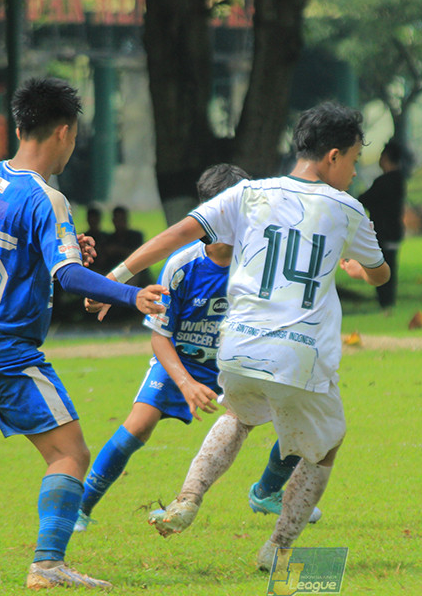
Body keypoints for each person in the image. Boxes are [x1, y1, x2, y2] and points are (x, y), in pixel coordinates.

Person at [90, 101, 389, 569]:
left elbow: (175, 234)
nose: (353, 172)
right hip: (299, 353)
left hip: (239, 347)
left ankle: (188, 499)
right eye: (352, 161)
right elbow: (381, 274)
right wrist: (359, 270)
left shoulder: (248, 193)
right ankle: (278, 549)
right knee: (326, 444)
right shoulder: (347, 209)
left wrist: (113, 280)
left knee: (238, 414)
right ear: (333, 156)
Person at [0, 77, 167, 590]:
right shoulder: (50, 198)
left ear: (20, 126)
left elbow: (8, 250)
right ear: (64, 131)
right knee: (70, 454)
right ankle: (48, 564)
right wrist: (128, 293)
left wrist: (60, 248)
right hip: (0, 346)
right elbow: (65, 276)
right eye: (76, 136)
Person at [73, 163, 321, 533]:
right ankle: (80, 508)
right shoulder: (183, 265)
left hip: (236, 363)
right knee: (138, 425)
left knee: (303, 412)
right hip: (182, 360)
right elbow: (161, 335)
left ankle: (266, 491)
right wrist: (186, 384)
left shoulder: (258, 262)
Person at [358, 140, 406, 313]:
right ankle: (388, 301)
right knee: (391, 266)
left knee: (381, 266)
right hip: (394, 231)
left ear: (385, 158)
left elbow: (364, 199)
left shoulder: (383, 182)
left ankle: (385, 301)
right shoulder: (399, 180)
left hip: (383, 232)